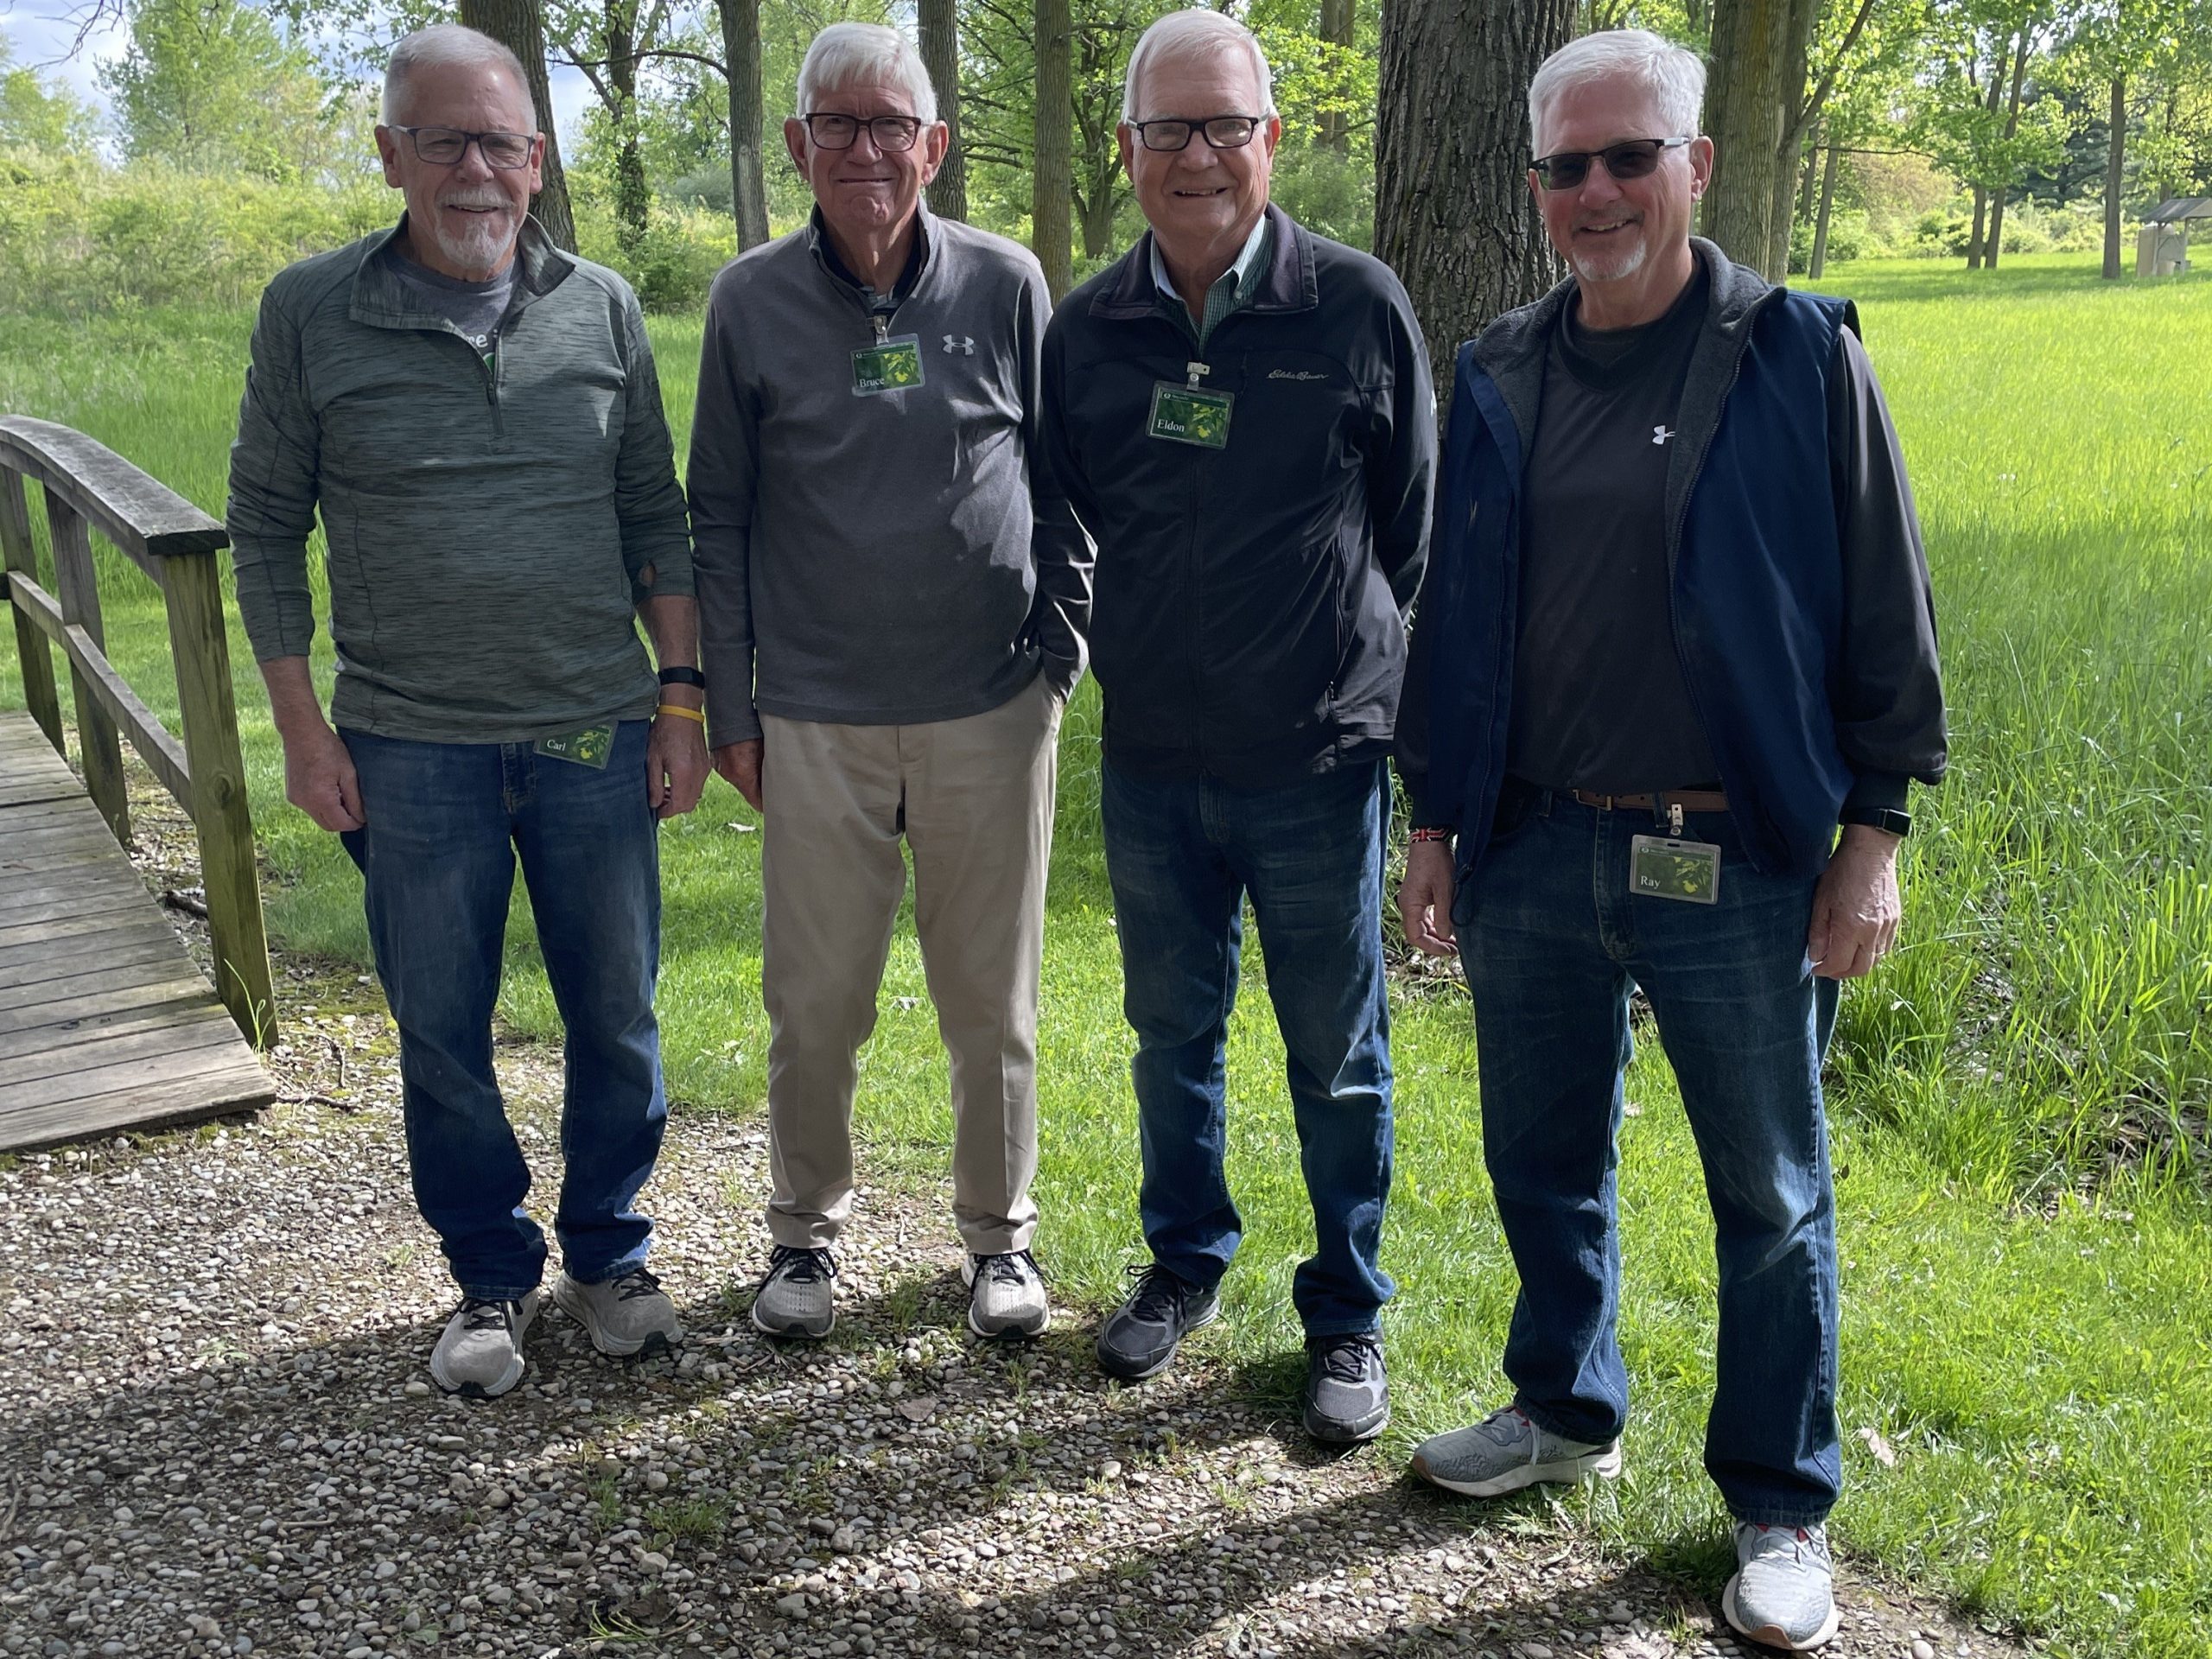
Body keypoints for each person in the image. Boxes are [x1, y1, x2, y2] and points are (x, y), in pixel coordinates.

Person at [1393, 28, 1947, 1651]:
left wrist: (1876, 837)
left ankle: (1781, 1508)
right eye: (1565, 166)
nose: (1597, 191)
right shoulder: (1496, 370)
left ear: (1695, 166)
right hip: (1537, 851)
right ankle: (1567, 1406)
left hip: (1744, 861)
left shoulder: (1796, 353)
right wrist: (1435, 818)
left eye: (1630, 157)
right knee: (1540, 1156)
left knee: (1770, 1194)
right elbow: (1456, 620)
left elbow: (1884, 614)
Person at [226, 24, 704, 1398]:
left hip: (595, 734)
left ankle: (611, 1251)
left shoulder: (604, 306)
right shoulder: (310, 312)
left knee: (617, 1012)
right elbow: (264, 531)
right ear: (392, 154)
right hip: (410, 742)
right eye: (445, 141)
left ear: (536, 161)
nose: (478, 170)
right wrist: (303, 730)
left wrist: (679, 702)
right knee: (441, 1024)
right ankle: (490, 1272)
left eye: (502, 144)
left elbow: (652, 514)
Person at [1040, 8, 1434, 1443]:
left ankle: (1346, 1315)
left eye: (1224, 126)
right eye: (1166, 129)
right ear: (1128, 149)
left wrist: (1369, 695)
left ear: (1270, 140)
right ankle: (1184, 1261)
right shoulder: (1089, 329)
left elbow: (1414, 534)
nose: (1196, 155)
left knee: (1337, 1053)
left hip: (1317, 763)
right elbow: (1060, 515)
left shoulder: (1355, 305)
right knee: (1170, 1032)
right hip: (1152, 763)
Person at [688, 22, 1090, 1343]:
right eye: (838, 125)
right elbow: (719, 518)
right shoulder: (749, 301)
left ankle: (999, 1242)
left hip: (990, 706)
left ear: (937, 143)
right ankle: (803, 1239)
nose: (867, 150)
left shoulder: (1007, 283)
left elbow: (1062, 477)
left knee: (994, 1003)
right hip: (814, 718)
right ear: (798, 143)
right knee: (816, 1003)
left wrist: (1060, 648)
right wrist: (730, 709)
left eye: (892, 125)